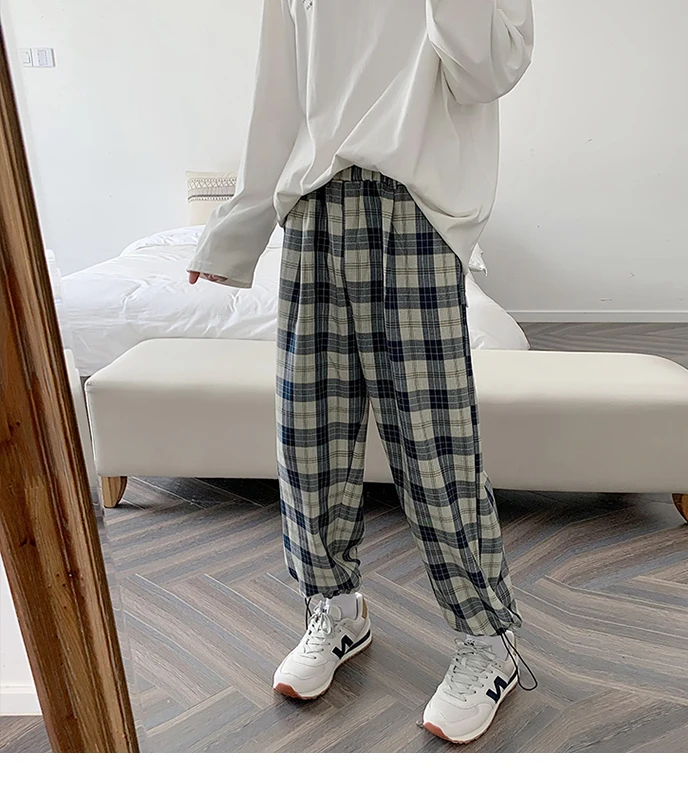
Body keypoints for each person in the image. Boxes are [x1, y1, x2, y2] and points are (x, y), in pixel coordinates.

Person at [188, 0, 534, 745]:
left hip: (418, 211)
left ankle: (488, 638)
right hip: (315, 208)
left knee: (434, 445)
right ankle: (334, 608)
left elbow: (489, 70)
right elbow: (277, 100)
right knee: (309, 432)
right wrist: (237, 232)